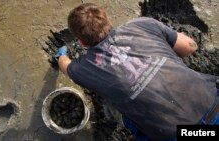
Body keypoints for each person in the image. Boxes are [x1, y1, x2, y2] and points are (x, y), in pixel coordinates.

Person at [54, 3, 219, 141]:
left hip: (176, 133)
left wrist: (61, 55)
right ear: (107, 21)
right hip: (211, 103)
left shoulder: (82, 69)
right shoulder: (143, 24)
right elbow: (190, 46)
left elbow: (65, 65)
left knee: (124, 115)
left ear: (82, 41)